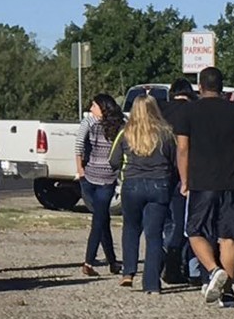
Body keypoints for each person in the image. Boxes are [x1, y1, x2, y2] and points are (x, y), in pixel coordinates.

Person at [176, 67, 234, 307]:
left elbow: (183, 149)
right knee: (229, 236)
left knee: (194, 231)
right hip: (232, 181)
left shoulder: (189, 111)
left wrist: (184, 179)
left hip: (202, 181)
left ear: (200, 87)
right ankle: (229, 293)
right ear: (222, 87)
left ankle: (213, 271)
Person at [109, 95, 177, 293]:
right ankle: (151, 283)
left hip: (132, 184)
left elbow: (112, 160)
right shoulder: (165, 133)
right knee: (154, 235)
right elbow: (174, 160)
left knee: (130, 228)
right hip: (159, 185)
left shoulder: (125, 133)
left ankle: (128, 272)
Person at [75, 93, 125, 277]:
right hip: (89, 177)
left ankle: (99, 261)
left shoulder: (120, 125)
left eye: (94, 106)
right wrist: (80, 171)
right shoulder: (89, 123)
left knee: (100, 218)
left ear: (103, 108)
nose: (90, 110)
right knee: (101, 219)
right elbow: (79, 144)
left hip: (107, 178)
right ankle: (101, 261)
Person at [159, 78, 197, 284]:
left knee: (163, 221)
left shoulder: (160, 110)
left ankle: (161, 257)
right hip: (183, 173)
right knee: (181, 221)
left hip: (158, 172)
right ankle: (174, 263)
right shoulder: (193, 111)